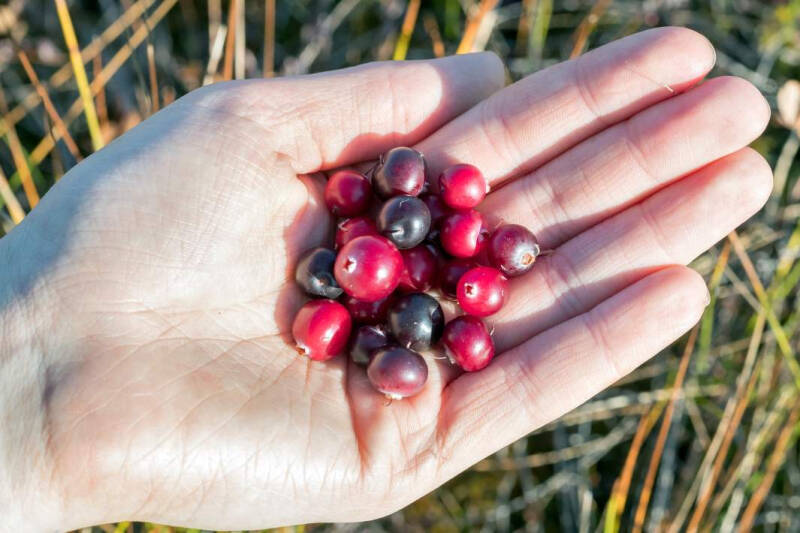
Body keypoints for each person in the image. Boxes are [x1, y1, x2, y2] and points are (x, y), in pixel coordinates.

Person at [0, 27, 771, 530]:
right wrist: (36, 382)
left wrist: (35, 401)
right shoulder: (374, 259)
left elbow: (428, 277)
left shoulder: (415, 264)